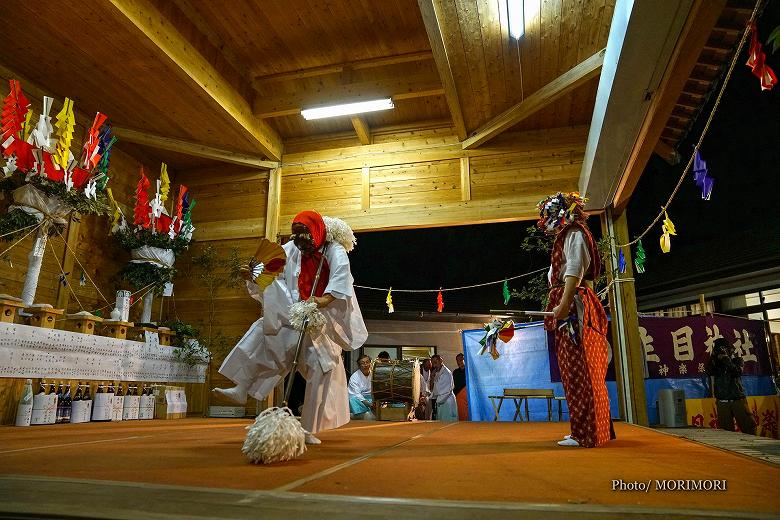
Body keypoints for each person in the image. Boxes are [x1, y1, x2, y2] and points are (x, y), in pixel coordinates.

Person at [214, 210, 367, 445]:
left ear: (315, 231)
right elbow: (271, 271)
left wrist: (323, 300)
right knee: (265, 333)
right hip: (292, 311)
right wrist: (254, 275)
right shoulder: (291, 248)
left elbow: (341, 278)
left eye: (303, 234)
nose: (298, 241)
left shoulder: (333, 250)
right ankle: (242, 386)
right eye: (294, 235)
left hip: (320, 319)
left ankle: (308, 428)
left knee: (322, 366)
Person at [538, 192, 612, 448]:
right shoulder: (567, 236)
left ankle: (586, 433)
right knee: (573, 370)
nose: (544, 221)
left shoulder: (574, 234)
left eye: (547, 215)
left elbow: (574, 271)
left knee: (580, 368)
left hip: (574, 309)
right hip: (569, 304)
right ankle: (584, 429)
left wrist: (564, 302)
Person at [707, 337, 756, 435]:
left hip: (737, 399)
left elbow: (737, 372)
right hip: (722, 401)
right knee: (726, 432)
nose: (722, 352)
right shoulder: (715, 364)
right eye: (718, 349)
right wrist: (714, 357)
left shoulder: (738, 360)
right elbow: (709, 371)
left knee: (748, 428)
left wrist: (726, 360)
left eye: (724, 349)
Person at [428, 354, 458, 422]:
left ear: (441, 361)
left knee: (448, 423)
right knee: (441, 422)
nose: (434, 365)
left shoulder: (446, 373)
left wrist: (430, 395)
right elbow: (432, 388)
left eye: (435, 362)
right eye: (433, 363)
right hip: (441, 400)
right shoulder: (438, 372)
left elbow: (437, 390)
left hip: (447, 400)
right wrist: (432, 376)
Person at [348, 354, 374, 419]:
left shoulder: (373, 375)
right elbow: (356, 394)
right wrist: (368, 404)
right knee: (352, 400)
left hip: (371, 399)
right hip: (360, 400)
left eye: (367, 362)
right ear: (359, 366)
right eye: (363, 363)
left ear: (370, 363)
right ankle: (361, 413)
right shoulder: (354, 377)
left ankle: (368, 411)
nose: (365, 365)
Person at [453, 353, 469, 421]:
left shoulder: (469, 371)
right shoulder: (455, 372)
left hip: (467, 398)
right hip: (458, 397)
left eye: (460, 359)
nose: (459, 362)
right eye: (457, 360)